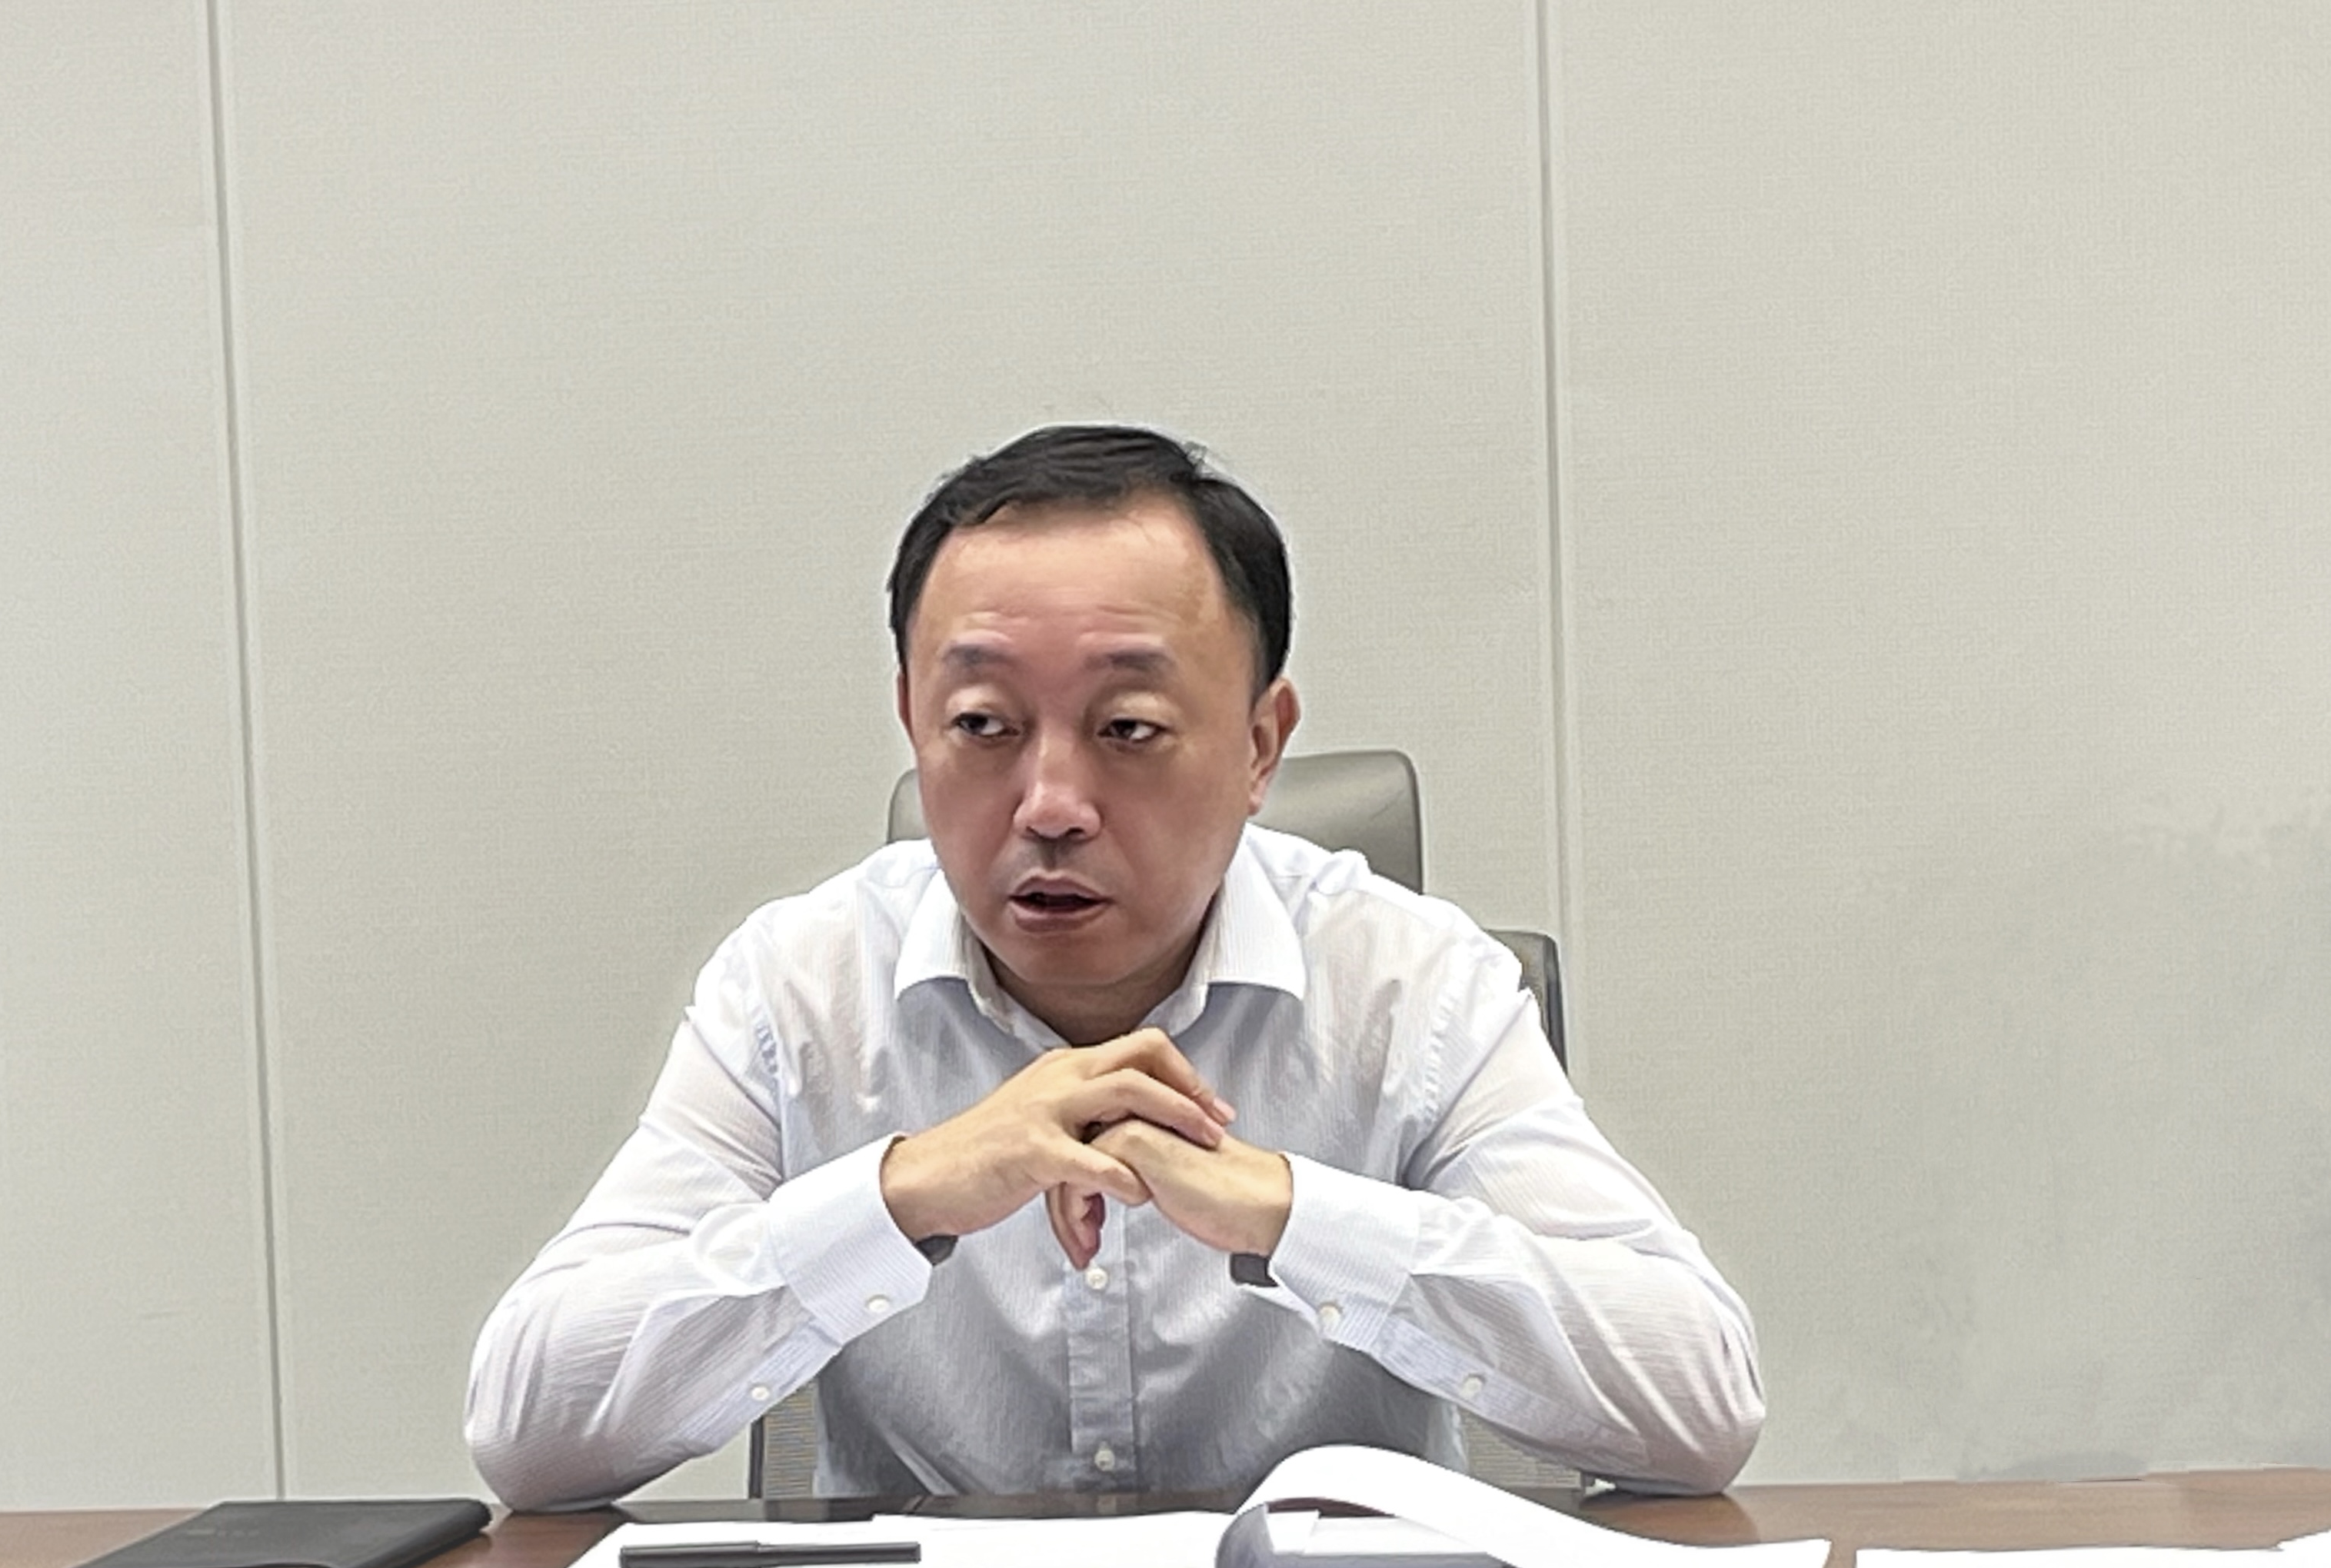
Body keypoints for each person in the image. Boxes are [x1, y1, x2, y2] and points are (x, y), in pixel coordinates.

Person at [465, 424, 1762, 1510]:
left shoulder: (1409, 985)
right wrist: (903, 1191)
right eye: (982, 723)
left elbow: (1695, 1405)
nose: (1049, 803)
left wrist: (1292, 1214)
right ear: (912, 721)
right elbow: (529, 1431)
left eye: (1128, 727)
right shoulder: (797, 991)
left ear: (1259, 745)